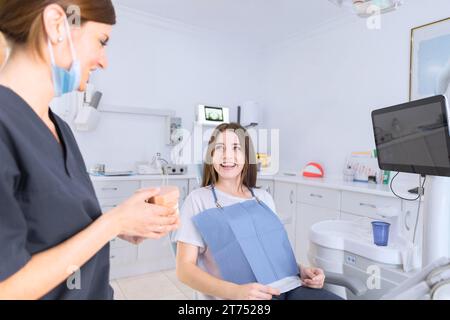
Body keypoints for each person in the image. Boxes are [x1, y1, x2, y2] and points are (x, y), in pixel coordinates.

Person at [0, 0, 179, 300]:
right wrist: (114, 223)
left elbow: (50, 226)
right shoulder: (6, 125)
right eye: (101, 41)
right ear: (58, 24)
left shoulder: (59, 128)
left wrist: (124, 220)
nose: (104, 61)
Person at [175, 123, 341, 300]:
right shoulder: (198, 199)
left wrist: (301, 270)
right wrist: (236, 292)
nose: (227, 155)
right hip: (242, 297)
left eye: (236, 148)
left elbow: (270, 253)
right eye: (219, 148)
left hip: (292, 286)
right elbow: (184, 269)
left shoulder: (263, 198)